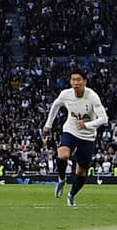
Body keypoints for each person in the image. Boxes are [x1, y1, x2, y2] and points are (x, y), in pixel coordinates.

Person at [41, 70, 108, 208]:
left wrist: (87, 125)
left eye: (78, 80)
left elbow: (104, 119)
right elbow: (55, 105)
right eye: (73, 80)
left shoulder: (92, 97)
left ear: (84, 81)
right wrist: (48, 125)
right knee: (63, 155)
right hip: (70, 130)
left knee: (81, 172)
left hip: (88, 136)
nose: (75, 83)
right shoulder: (66, 94)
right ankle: (61, 179)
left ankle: (71, 195)